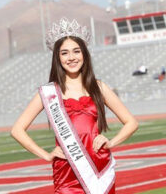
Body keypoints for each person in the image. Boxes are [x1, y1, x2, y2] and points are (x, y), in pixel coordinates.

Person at [11, 18, 138, 194]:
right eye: (64, 53)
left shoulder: (98, 87)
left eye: (76, 51)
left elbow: (131, 122)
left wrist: (111, 142)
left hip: (98, 167)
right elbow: (17, 130)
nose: (71, 57)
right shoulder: (49, 93)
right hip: (67, 169)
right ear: (57, 57)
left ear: (84, 54)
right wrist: (46, 155)